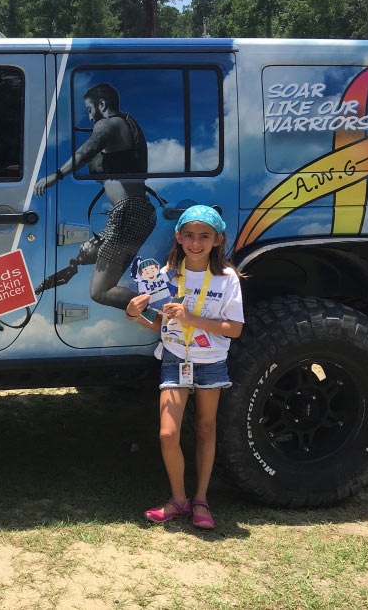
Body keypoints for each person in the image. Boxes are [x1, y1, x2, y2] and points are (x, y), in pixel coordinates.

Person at [124, 205, 244, 530]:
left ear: (218, 240)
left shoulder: (227, 278)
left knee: (206, 429)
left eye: (204, 236)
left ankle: (201, 500)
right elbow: (161, 326)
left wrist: (192, 319)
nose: (195, 243)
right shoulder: (165, 275)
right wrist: (135, 315)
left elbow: (234, 328)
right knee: (168, 433)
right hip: (175, 359)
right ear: (178, 237)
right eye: (189, 235)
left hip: (211, 362)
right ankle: (178, 500)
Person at [33, 82, 156, 310]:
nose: (90, 118)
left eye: (89, 110)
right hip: (133, 213)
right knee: (84, 253)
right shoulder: (125, 126)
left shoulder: (110, 124)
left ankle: (163, 311)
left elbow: (84, 152)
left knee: (100, 292)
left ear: (101, 104)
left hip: (128, 212)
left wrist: (56, 175)